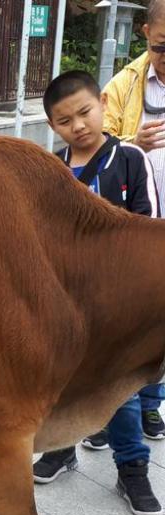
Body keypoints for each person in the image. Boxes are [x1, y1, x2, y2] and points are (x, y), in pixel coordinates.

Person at [33, 70, 162, 515]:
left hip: (116, 306)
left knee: (120, 392)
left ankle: (132, 469)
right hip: (64, 305)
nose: (78, 126)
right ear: (52, 125)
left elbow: (148, 229)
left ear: (103, 104)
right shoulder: (50, 169)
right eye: (65, 120)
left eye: (85, 112)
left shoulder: (129, 158)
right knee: (62, 383)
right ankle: (61, 448)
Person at [103, 0, 165, 440]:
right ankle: (113, 407)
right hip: (135, 225)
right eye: (162, 46)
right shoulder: (124, 84)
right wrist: (131, 141)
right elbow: (98, 142)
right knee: (127, 319)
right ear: (145, 33)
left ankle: (150, 405)